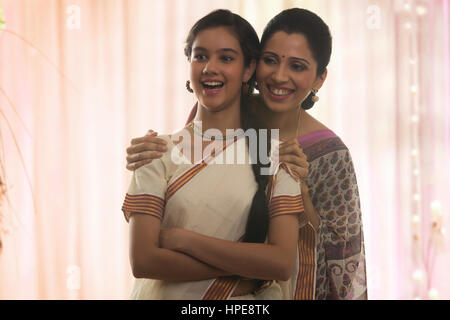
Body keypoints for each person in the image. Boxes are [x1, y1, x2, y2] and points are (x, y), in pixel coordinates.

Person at [126, 8, 368, 300]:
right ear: (254, 67)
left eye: (298, 66)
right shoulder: (219, 104)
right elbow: (189, 191)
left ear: (319, 78)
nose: (280, 76)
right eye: (270, 61)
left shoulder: (329, 153)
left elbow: (341, 253)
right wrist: (147, 155)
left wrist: (299, 192)